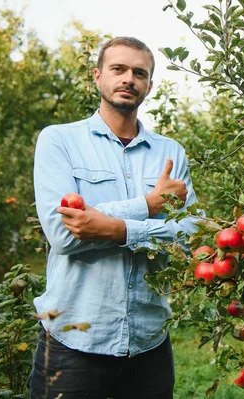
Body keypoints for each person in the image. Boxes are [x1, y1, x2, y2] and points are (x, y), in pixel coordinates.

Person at [28, 36, 200, 399]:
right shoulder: (59, 141)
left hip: (149, 341)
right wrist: (148, 206)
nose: (128, 79)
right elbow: (62, 234)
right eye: (118, 69)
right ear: (97, 76)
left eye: (139, 73)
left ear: (149, 86)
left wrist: (114, 228)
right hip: (74, 339)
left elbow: (188, 236)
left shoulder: (170, 153)